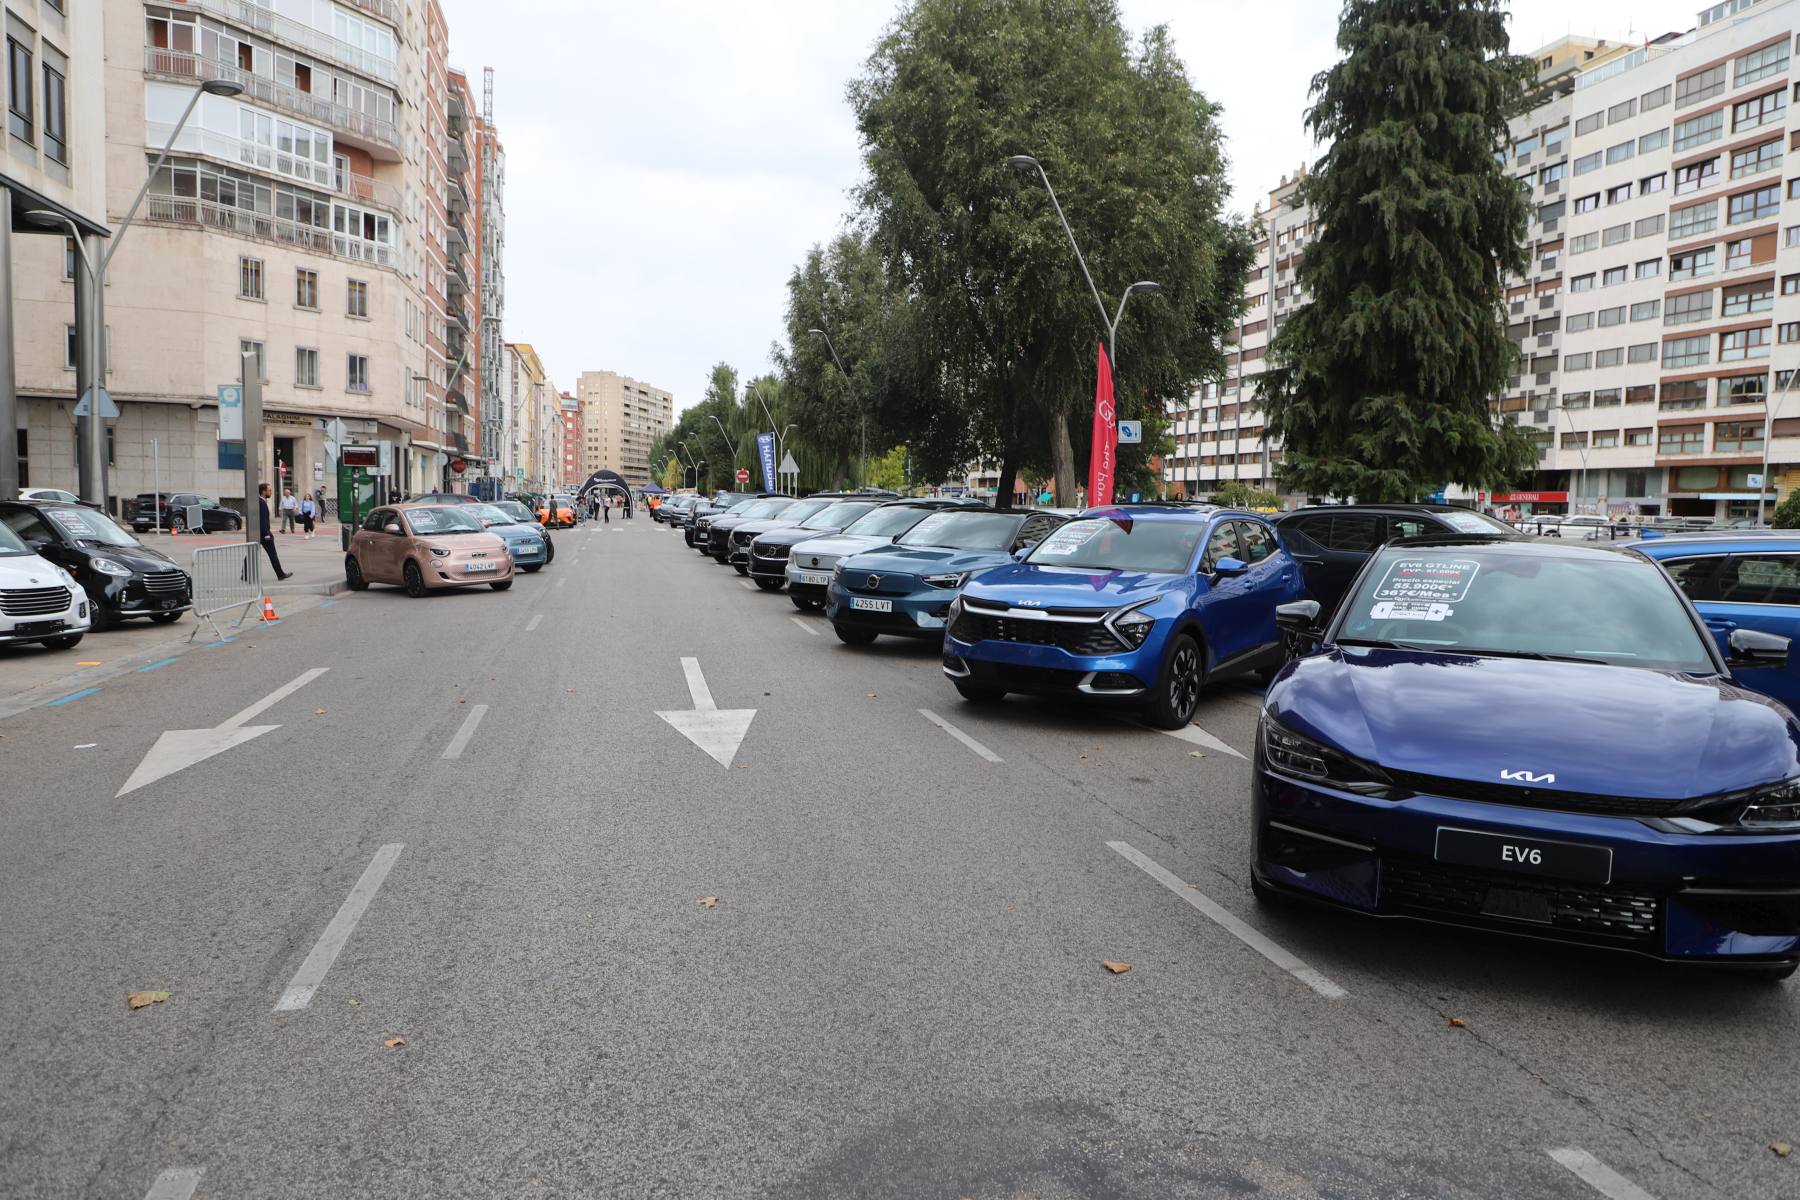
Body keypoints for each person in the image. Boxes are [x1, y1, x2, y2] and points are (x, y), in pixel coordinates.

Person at [258, 482, 291, 580]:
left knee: (251, 552)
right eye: (269, 490)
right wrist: (266, 534)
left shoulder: (261, 501)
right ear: (263, 492)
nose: (271, 492)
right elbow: (263, 520)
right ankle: (280, 574)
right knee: (273, 555)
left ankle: (244, 574)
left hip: (260, 534)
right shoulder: (261, 503)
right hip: (264, 535)